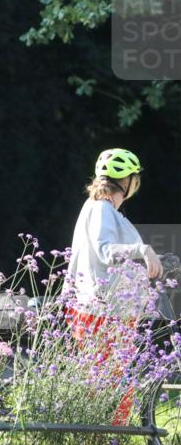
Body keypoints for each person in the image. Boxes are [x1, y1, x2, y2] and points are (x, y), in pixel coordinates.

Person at [63, 148, 162, 425]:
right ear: (129, 182)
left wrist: (155, 258)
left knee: (113, 387)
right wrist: (142, 249)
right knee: (111, 389)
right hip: (101, 312)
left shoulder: (105, 210)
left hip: (110, 312)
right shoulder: (101, 208)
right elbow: (107, 251)